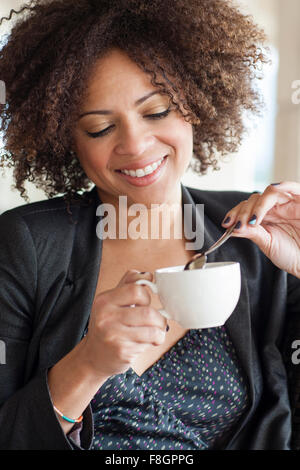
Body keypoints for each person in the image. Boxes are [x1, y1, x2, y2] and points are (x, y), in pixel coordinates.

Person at [0, 0, 299, 450]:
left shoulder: (256, 233)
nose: (136, 146)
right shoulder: (27, 245)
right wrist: (86, 366)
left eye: (157, 111)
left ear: (196, 102)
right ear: (65, 138)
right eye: (100, 128)